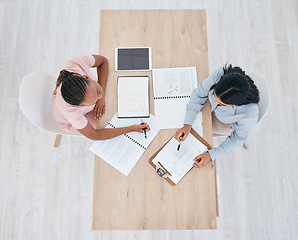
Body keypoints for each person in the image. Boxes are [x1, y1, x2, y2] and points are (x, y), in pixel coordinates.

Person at [175, 64, 260, 168]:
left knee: (196, 136)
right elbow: (199, 94)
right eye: (214, 95)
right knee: (179, 124)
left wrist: (211, 155)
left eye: (221, 104)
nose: (215, 102)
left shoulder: (249, 114)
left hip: (225, 123)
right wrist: (187, 124)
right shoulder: (220, 74)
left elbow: (237, 139)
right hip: (207, 108)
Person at [51, 54, 150, 140]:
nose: (101, 95)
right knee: (113, 119)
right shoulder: (71, 112)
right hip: (70, 122)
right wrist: (132, 128)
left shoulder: (75, 63)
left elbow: (103, 61)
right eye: (95, 99)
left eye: (98, 91)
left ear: (86, 77)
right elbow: (95, 135)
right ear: (82, 106)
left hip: (78, 107)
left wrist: (101, 99)